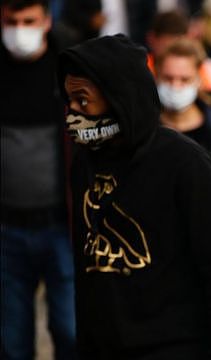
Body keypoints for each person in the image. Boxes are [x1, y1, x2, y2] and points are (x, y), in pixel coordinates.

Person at [58, 34, 211, 359]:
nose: (72, 112)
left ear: (118, 98)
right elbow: (86, 274)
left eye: (82, 101)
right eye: (68, 101)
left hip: (176, 347)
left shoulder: (185, 163)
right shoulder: (84, 161)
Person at [1, 0, 76, 358]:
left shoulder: (70, 70)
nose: (19, 30)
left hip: (61, 224)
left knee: (71, 328)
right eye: (11, 21)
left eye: (28, 21)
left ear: (46, 20)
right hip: (7, 227)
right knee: (12, 338)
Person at [155, 37, 211, 156]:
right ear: (157, 76)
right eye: (168, 78)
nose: (175, 85)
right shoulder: (142, 128)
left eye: (185, 79)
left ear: (199, 78)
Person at [146, 10, 211, 93]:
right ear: (152, 39)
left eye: (185, 79)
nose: (176, 87)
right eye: (168, 78)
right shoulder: (142, 69)